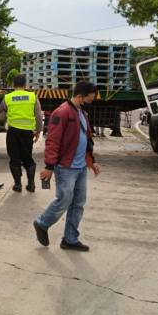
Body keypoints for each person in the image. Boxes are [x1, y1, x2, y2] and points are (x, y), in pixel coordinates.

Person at [33, 81, 101, 251]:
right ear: (80, 96)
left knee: (78, 203)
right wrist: (49, 166)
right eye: (90, 99)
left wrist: (92, 162)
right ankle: (42, 223)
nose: (91, 102)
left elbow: (88, 139)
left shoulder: (82, 113)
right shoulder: (62, 112)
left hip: (80, 168)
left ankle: (70, 239)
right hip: (66, 167)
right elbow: (52, 141)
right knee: (64, 200)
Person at [0, 74, 44, 193]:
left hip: (13, 132)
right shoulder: (32, 97)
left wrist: (6, 117)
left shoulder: (7, 97)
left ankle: (18, 185)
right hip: (27, 133)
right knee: (28, 158)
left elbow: (1, 117)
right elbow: (39, 116)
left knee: (14, 158)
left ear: (14, 85)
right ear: (25, 85)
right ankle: (31, 184)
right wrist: (38, 131)